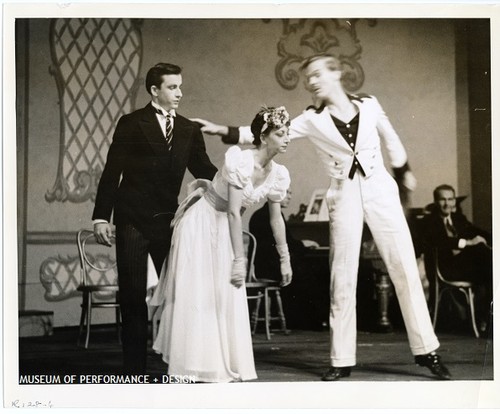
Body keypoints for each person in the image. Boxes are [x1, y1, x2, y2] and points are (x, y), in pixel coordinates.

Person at [193, 53, 451, 380]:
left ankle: (427, 351)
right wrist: (223, 130)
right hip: (343, 195)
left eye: (316, 74)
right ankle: (341, 359)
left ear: (336, 73)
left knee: (403, 266)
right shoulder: (311, 119)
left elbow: (392, 139)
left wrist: (403, 172)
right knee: (341, 275)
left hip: (380, 191)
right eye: (308, 78)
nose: (311, 81)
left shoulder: (370, 104)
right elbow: (261, 129)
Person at [149, 106, 293, 383]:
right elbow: (231, 211)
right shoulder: (240, 160)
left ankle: (222, 362)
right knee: (202, 290)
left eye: (288, 133)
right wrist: (239, 261)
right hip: (202, 223)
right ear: (263, 137)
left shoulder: (279, 173)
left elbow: (277, 219)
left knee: (225, 293)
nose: (287, 138)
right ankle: (192, 364)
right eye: (280, 133)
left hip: (225, 226)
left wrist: (285, 257)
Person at [92, 63, 218, 374]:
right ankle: (133, 372)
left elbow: (207, 172)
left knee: (179, 295)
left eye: (180, 86)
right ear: (154, 90)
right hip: (132, 219)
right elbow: (112, 172)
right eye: (172, 87)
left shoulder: (188, 129)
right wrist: (100, 218)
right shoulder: (132, 123)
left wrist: (242, 183)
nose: (179, 93)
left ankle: (179, 365)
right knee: (133, 299)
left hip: (169, 223)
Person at [421, 184, 492, 333]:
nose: (447, 204)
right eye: (442, 200)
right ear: (435, 201)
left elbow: (476, 231)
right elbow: (441, 242)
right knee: (482, 255)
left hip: (463, 268)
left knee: (490, 267)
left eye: (451, 199)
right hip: (444, 269)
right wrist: (468, 242)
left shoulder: (458, 218)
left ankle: (486, 317)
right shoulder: (428, 222)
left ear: (454, 201)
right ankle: (486, 318)